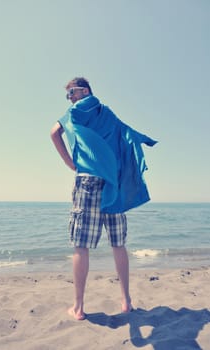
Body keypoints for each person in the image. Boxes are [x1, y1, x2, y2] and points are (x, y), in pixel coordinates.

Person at [50, 77, 157, 320]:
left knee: (81, 245)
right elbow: (127, 134)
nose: (70, 98)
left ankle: (78, 307)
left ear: (85, 91)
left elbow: (54, 133)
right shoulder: (107, 113)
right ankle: (126, 301)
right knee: (118, 244)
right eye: (68, 95)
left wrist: (70, 163)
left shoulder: (76, 111)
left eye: (72, 93)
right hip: (113, 184)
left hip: (88, 181)